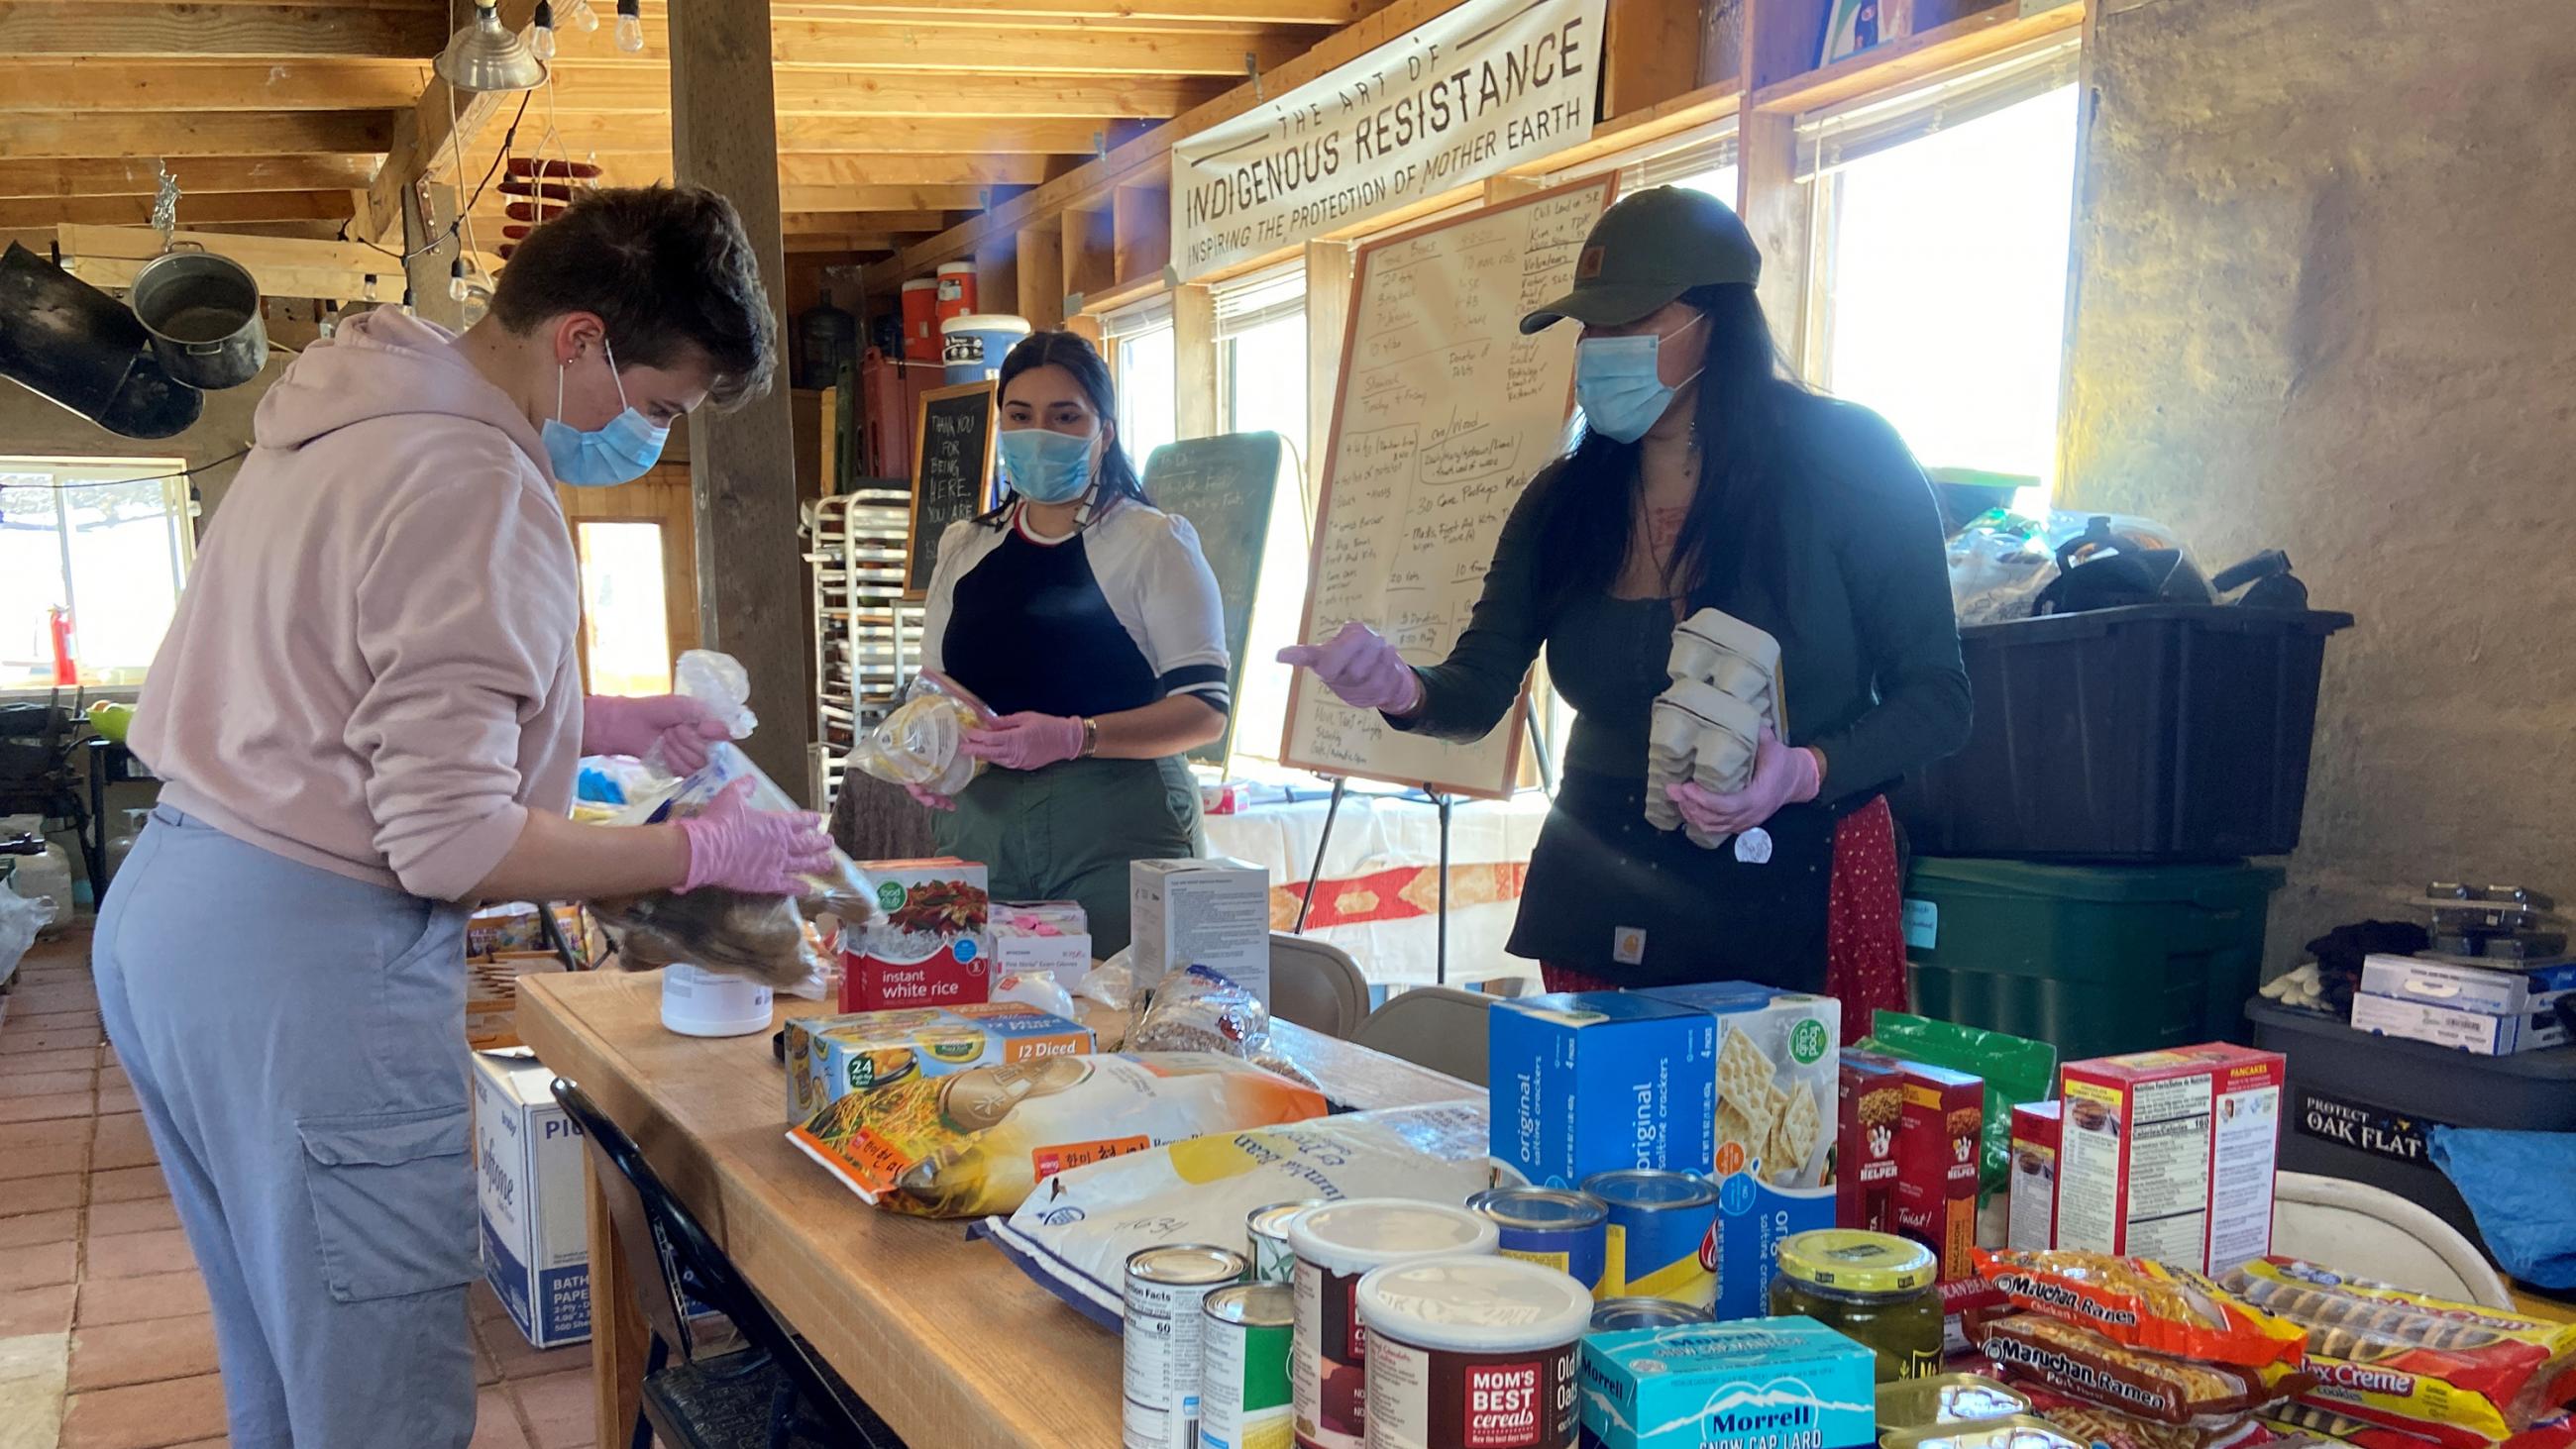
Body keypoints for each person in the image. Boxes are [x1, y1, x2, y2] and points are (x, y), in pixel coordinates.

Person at [99, 186, 830, 1449]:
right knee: (377, 1393)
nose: (645, 434)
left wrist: (599, 718)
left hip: (175, 916)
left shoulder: (354, 406)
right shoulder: (476, 478)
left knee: (285, 1359)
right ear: (581, 340)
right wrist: (699, 849)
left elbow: (352, 670)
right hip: (306, 957)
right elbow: (448, 843)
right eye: (656, 404)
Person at [1279, 186, 1969, 1015]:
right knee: (1608, 1139)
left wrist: (1802, 771)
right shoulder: (1566, 499)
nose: (1601, 348)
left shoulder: (1845, 460)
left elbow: (1938, 700)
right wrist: (1401, 688)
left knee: (1791, 1137)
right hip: (1602, 896)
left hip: (1799, 884)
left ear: (1716, 319)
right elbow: (1480, 684)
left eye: (1629, 320)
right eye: (1589, 327)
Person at [909, 331, 1229, 954]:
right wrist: (920, 750)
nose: (1040, 433)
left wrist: (1074, 735)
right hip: (981, 829)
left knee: (1127, 1026)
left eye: (1065, 417)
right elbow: (936, 691)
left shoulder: (1154, 543)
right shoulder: (964, 547)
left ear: (1104, 431)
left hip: (1118, 832)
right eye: (1020, 416)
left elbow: (1204, 713)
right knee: (984, 1024)